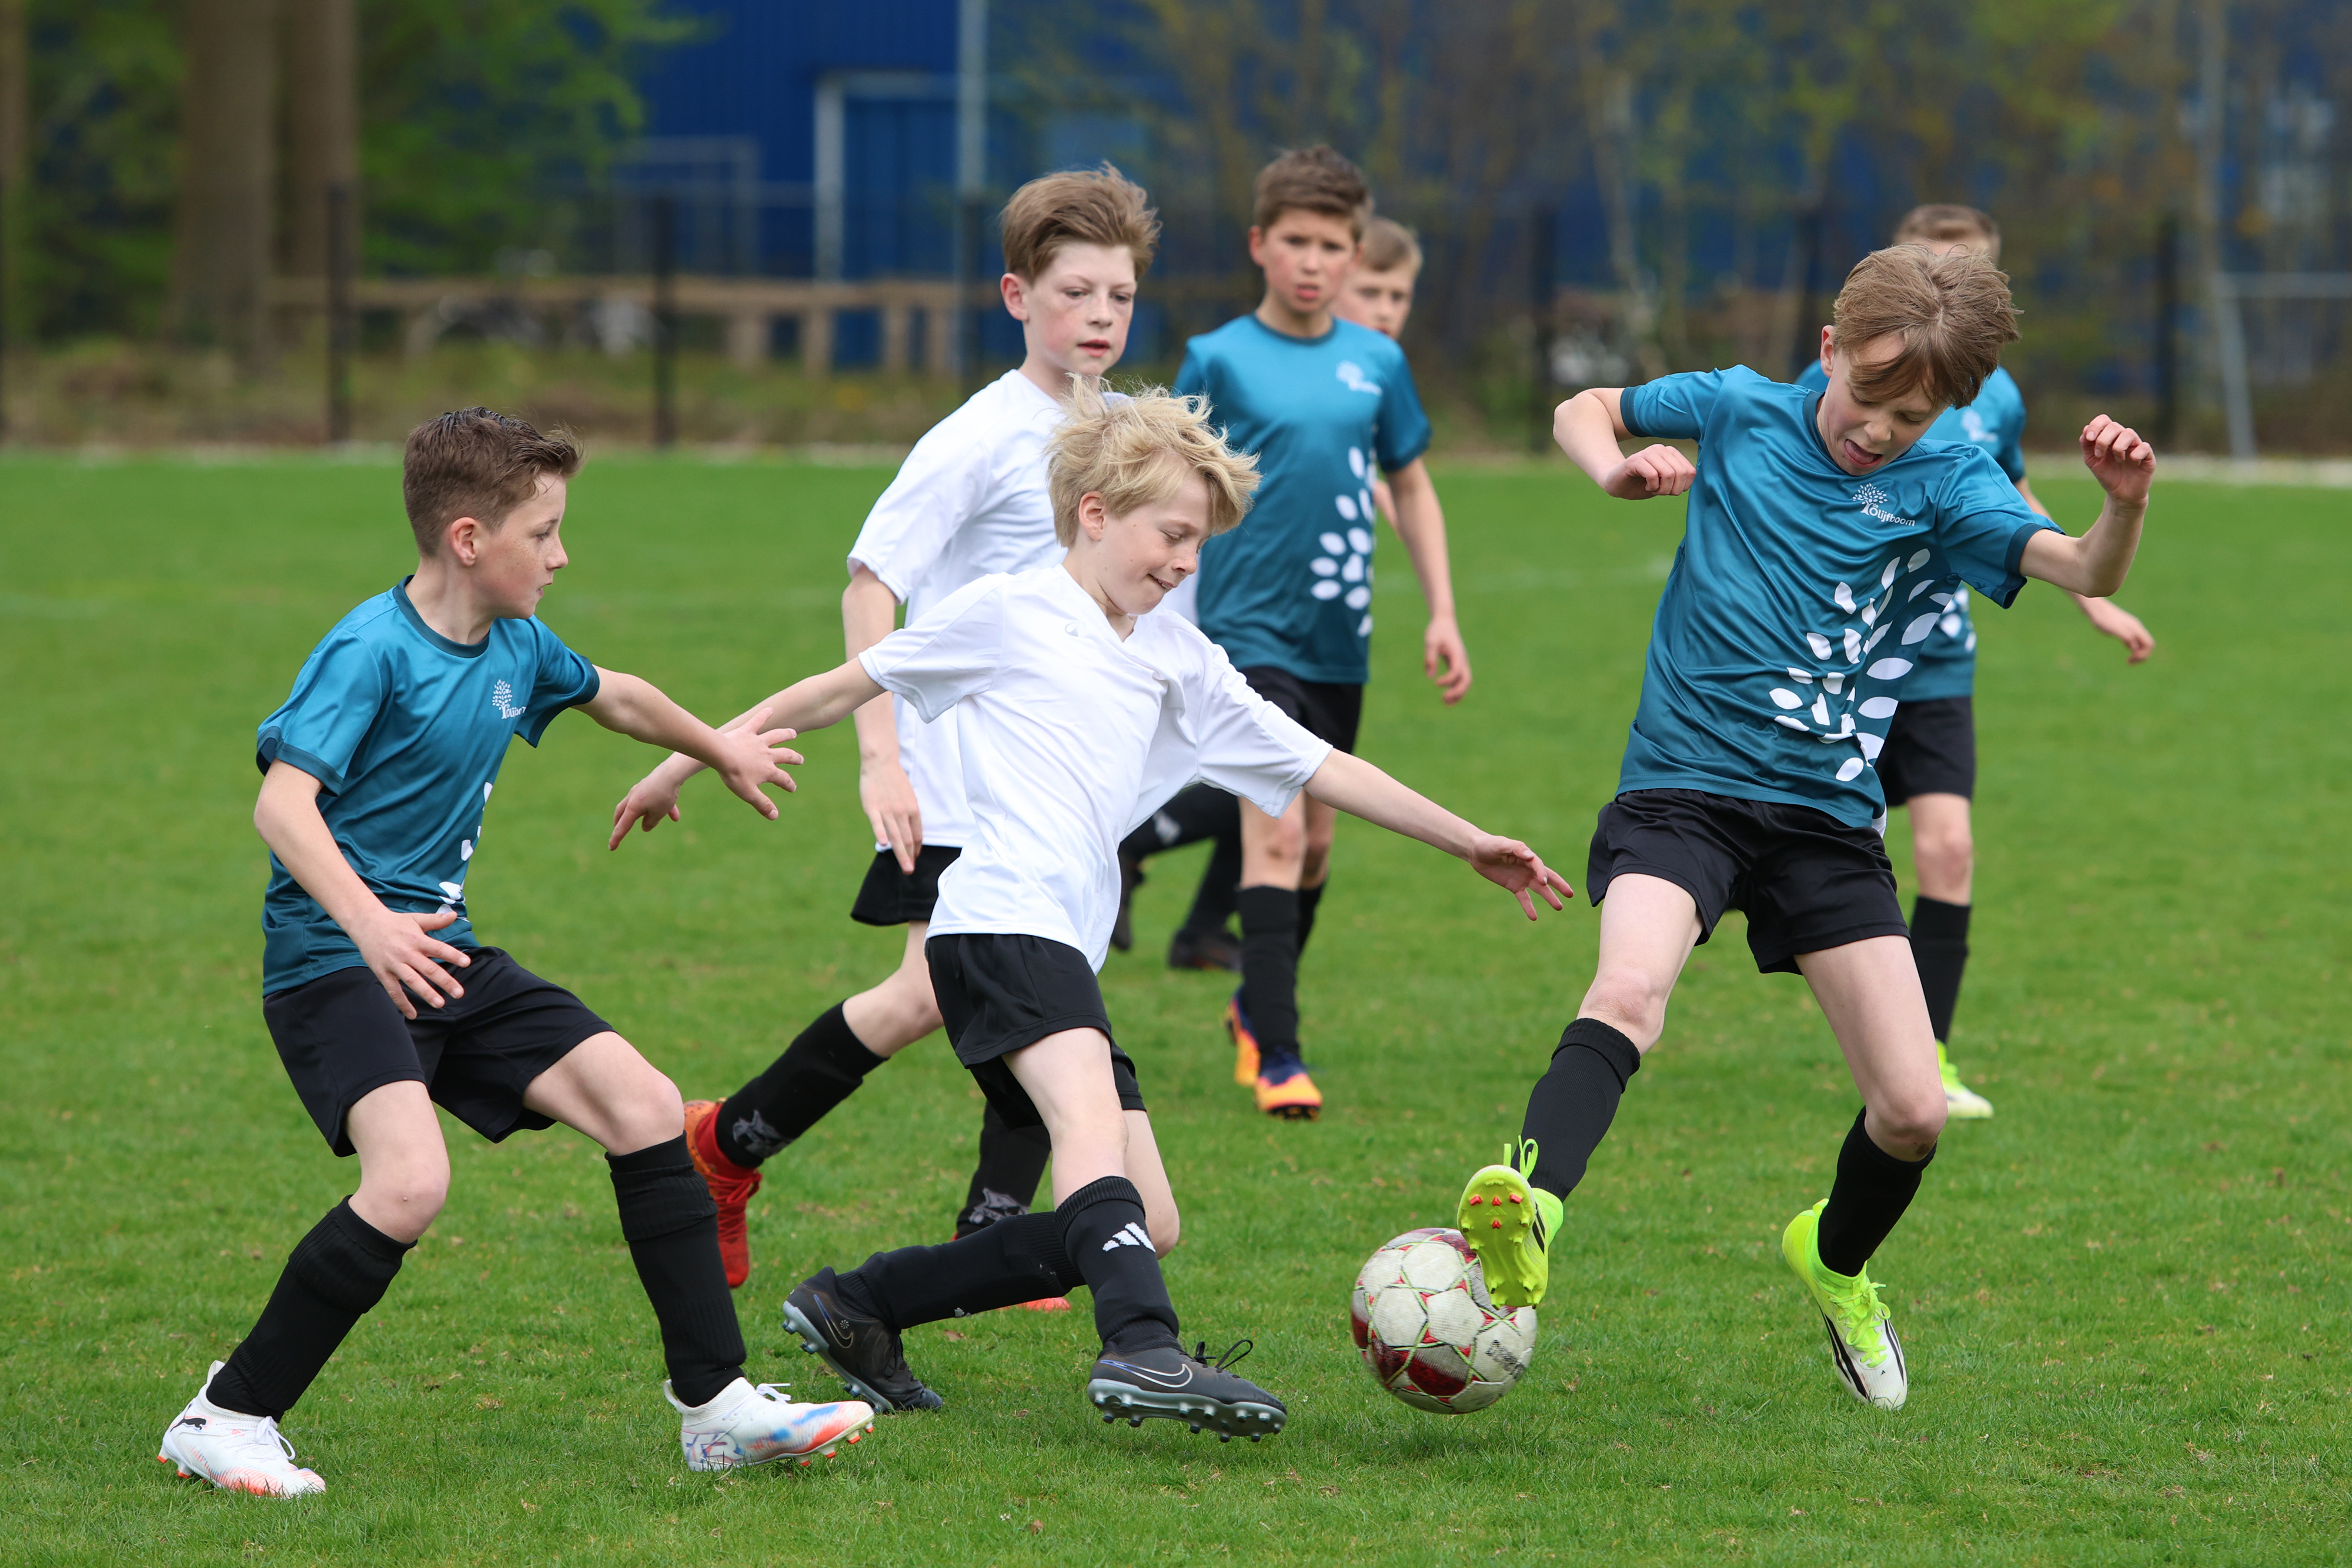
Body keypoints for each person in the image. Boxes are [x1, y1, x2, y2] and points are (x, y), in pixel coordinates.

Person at [612, 386, 1571, 1435]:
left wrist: (1467, 838)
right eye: (1173, 534)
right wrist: (690, 758)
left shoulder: (1178, 658)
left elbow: (1318, 764)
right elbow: (835, 687)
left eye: (1198, 544)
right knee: (1085, 1131)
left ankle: (862, 1303)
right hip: (998, 924)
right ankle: (1144, 1349)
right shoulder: (1011, 610)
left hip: (1053, 946)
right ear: (1097, 513)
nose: (1185, 562)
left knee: (1145, 1218)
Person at [1459, 246, 2154, 1415]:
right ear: (1825, 350)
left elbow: (2075, 562)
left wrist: (2121, 505)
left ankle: (1832, 1260)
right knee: (1627, 987)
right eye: (1868, 398)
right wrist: (1613, 468)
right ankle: (1525, 1203)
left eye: (1911, 413)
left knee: (1912, 1108)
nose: (1880, 429)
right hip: (1680, 786)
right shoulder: (1736, 403)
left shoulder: (1944, 474)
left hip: (1825, 821)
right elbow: (1583, 406)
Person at [158, 410, 876, 1497]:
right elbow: (282, 805)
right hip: (335, 961)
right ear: (466, 540)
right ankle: (226, 1416)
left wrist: (714, 745)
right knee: (408, 1186)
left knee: (644, 1105)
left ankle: (717, 1408)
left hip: (441, 952)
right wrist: (370, 924)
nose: (561, 554)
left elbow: (616, 694)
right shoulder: (371, 650)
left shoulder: (516, 646)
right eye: (542, 533)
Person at [654, 166, 1162, 1301]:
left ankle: (734, 1150)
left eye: (1119, 297)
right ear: (1015, 295)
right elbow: (872, 586)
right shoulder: (979, 437)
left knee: (958, 990)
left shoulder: (1129, 431)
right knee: (991, 987)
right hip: (963, 774)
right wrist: (880, 758)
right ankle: (977, 1228)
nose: (1099, 317)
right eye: (1075, 292)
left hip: (1067, 773)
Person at [1794, 204, 2154, 1119]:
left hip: (1941, 661)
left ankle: (1933, 1056)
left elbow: (2018, 506)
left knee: (1949, 850)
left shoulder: (1995, 398)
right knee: (1838, 859)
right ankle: (1871, 1033)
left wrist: (2095, 598)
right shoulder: (1843, 383)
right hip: (1846, 666)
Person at [1174, 147, 1472, 1121]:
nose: (1313, 262)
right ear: (1260, 245)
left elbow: (1412, 485)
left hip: (1338, 639)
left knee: (1314, 853)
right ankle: (1280, 1053)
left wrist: (1441, 609)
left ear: (1352, 256)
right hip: (1243, 633)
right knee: (1278, 830)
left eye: (1331, 246)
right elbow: (1172, 486)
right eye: (1295, 242)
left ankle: (1253, 1007)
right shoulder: (1217, 358)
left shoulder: (1377, 361)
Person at [1111, 215, 1428, 976]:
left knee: (1297, 817)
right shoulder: (1237, 360)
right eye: (1374, 292)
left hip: (1332, 633)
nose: (1386, 310)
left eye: (1401, 296)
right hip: (1241, 617)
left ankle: (1203, 934)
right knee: (1273, 782)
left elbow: (1395, 474)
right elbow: (1187, 462)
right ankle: (1264, 1021)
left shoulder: (1373, 372)